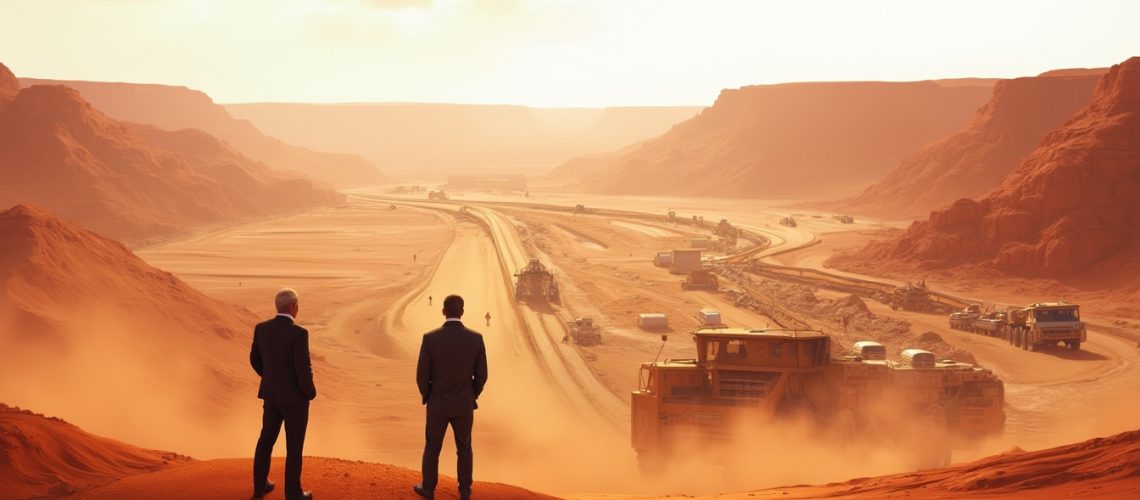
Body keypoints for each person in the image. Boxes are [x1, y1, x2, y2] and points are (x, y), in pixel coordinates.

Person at [414, 295, 488, 500]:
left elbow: (422, 375)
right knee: (464, 448)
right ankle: (464, 491)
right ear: (462, 312)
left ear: (443, 312)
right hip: (463, 404)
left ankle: (428, 489)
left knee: (432, 447)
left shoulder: (430, 338)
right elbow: (482, 375)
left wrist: (428, 396)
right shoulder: (476, 338)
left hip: (437, 404)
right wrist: (472, 394)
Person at [251, 288, 316, 500]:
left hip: (271, 396)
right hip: (294, 400)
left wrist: (270, 378)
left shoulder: (261, 328)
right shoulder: (299, 333)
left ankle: (260, 487)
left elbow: (255, 360)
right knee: (294, 446)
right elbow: (302, 369)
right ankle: (293, 493)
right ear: (293, 306)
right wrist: (309, 393)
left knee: (266, 440)